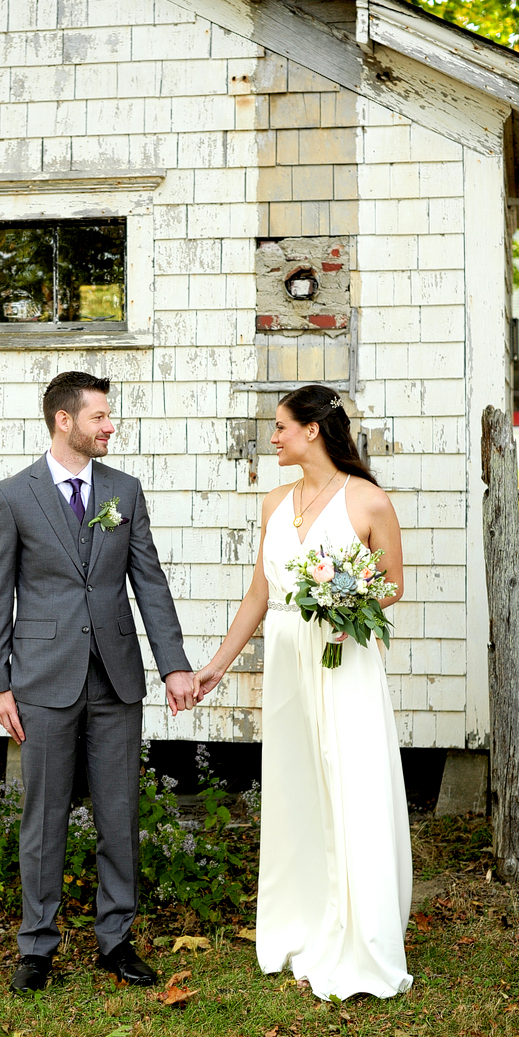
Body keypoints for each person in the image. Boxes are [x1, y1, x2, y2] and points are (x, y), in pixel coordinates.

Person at [194, 383, 413, 1001]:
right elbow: (260, 595)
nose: (274, 438)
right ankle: (304, 917)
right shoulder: (273, 503)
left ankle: (361, 932)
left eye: (282, 427)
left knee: (351, 782)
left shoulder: (368, 501)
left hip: (345, 663)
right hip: (290, 666)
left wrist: (350, 602)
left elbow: (393, 584)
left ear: (312, 430)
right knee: (297, 784)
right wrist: (217, 664)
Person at [0, 371, 194, 994]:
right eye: (100, 416)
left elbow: (148, 582)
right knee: (42, 816)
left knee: (119, 813)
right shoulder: (13, 496)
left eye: (110, 415)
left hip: (116, 679)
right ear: (64, 421)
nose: (111, 426)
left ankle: (116, 939)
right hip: (42, 680)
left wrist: (173, 663)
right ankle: (37, 946)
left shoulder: (124, 491)